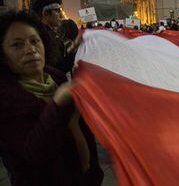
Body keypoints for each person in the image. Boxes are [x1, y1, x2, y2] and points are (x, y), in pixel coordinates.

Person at [0, 11, 103, 185]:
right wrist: (57, 104)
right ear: (3, 56)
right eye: (17, 45)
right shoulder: (6, 100)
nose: (30, 49)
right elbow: (31, 156)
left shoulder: (59, 80)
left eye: (34, 41)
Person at [29, 0, 79, 75]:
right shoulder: (41, 38)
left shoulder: (49, 34)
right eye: (57, 10)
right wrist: (73, 52)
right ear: (45, 14)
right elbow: (55, 69)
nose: (61, 15)